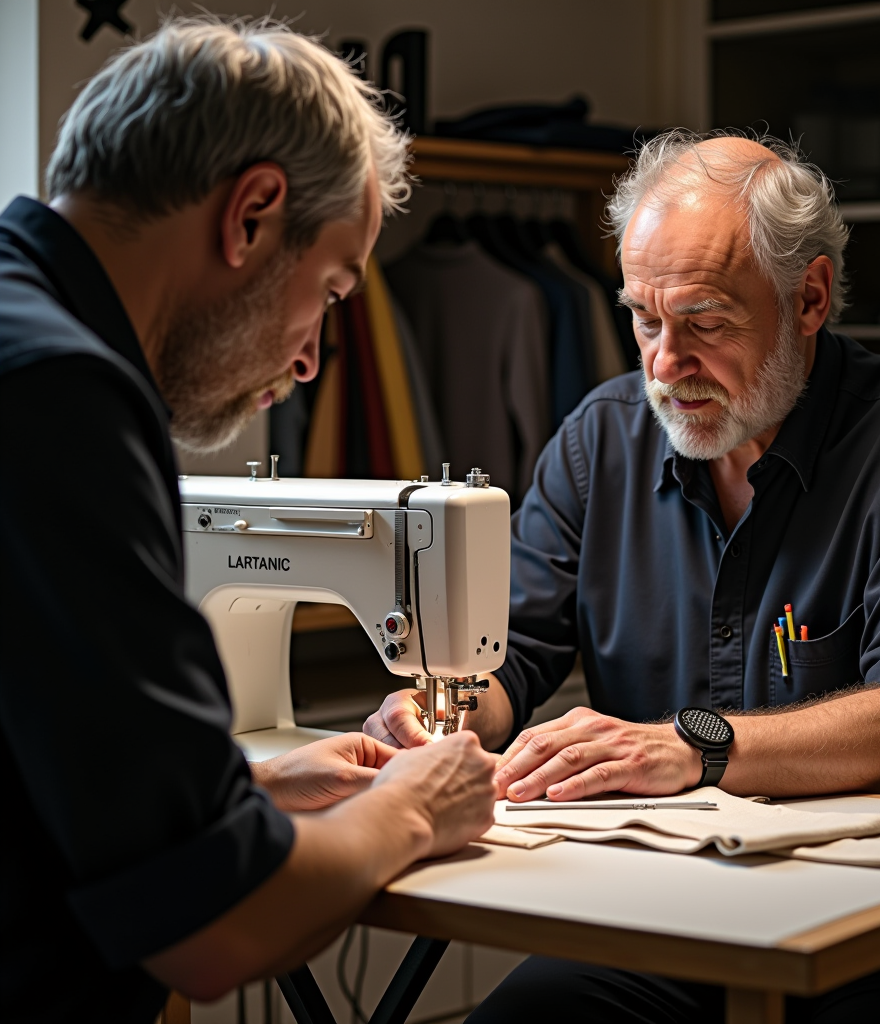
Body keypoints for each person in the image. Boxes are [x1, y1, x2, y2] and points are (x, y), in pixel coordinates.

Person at [365, 131, 880, 1022]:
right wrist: (443, 710)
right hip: (673, 908)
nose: (664, 365)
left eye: (706, 323)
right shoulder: (599, 441)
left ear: (810, 298)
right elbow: (507, 655)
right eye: (644, 319)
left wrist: (696, 745)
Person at [0, 19, 498, 1022]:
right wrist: (415, 807)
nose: (310, 360)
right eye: (330, 290)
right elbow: (215, 925)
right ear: (253, 215)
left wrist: (240, 794)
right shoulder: (60, 397)